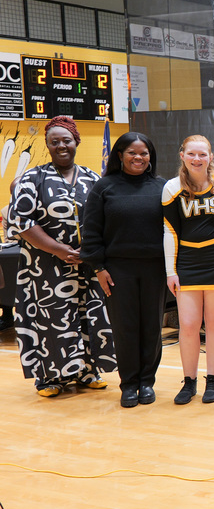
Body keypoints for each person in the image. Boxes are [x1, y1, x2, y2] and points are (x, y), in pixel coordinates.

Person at [8, 116, 115, 397]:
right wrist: (59, 250)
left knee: (87, 316)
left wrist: (89, 250)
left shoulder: (94, 178)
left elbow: (106, 220)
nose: (61, 146)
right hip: (44, 264)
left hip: (86, 265)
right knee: (51, 317)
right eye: (54, 142)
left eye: (66, 140)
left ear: (76, 142)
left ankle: (86, 371)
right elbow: (23, 222)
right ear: (47, 145)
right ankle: (49, 377)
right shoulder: (32, 178)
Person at [81, 132, 167, 408]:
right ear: (120, 155)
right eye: (132, 152)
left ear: (150, 156)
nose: (138, 158)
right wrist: (98, 268)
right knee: (124, 328)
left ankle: (147, 382)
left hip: (155, 268)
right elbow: (91, 231)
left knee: (152, 327)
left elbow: (173, 230)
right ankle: (129, 384)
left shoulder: (163, 187)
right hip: (118, 270)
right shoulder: (103, 187)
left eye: (144, 153)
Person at [162, 135, 214, 405]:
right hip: (188, 263)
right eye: (191, 154)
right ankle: (189, 381)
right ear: (182, 155)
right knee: (189, 325)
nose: (197, 159)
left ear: (211, 157)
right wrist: (171, 271)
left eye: (202, 154)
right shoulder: (171, 188)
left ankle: (213, 380)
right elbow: (170, 230)